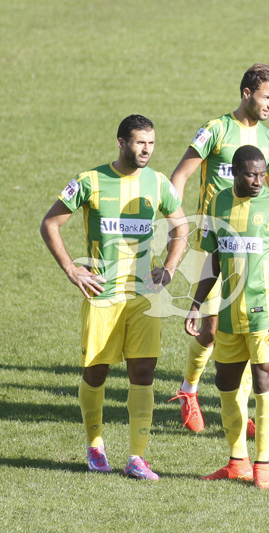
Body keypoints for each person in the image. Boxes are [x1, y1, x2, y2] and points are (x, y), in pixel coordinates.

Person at [41, 115, 189, 480]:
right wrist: (72, 269)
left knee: (144, 373)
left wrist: (170, 267)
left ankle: (137, 457)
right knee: (96, 373)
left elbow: (181, 228)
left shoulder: (158, 183)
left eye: (151, 143)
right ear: (121, 142)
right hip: (103, 295)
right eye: (140, 142)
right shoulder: (90, 181)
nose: (147, 150)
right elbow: (50, 223)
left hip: (143, 297)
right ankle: (95, 445)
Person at [169, 63, 269, 433]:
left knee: (248, 329)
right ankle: (189, 389)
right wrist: (175, 222)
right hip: (214, 245)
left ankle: (240, 408)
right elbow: (181, 175)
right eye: (266, 97)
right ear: (247, 93)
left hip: (252, 246)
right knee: (211, 329)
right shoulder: (216, 130)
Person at [185, 145, 269, 489]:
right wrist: (196, 304)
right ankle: (237, 461)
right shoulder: (218, 204)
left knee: (262, 383)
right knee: (226, 384)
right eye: (251, 175)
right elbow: (212, 260)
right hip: (228, 312)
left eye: (262, 174)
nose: (258, 181)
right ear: (235, 173)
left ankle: (262, 465)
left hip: (265, 311)